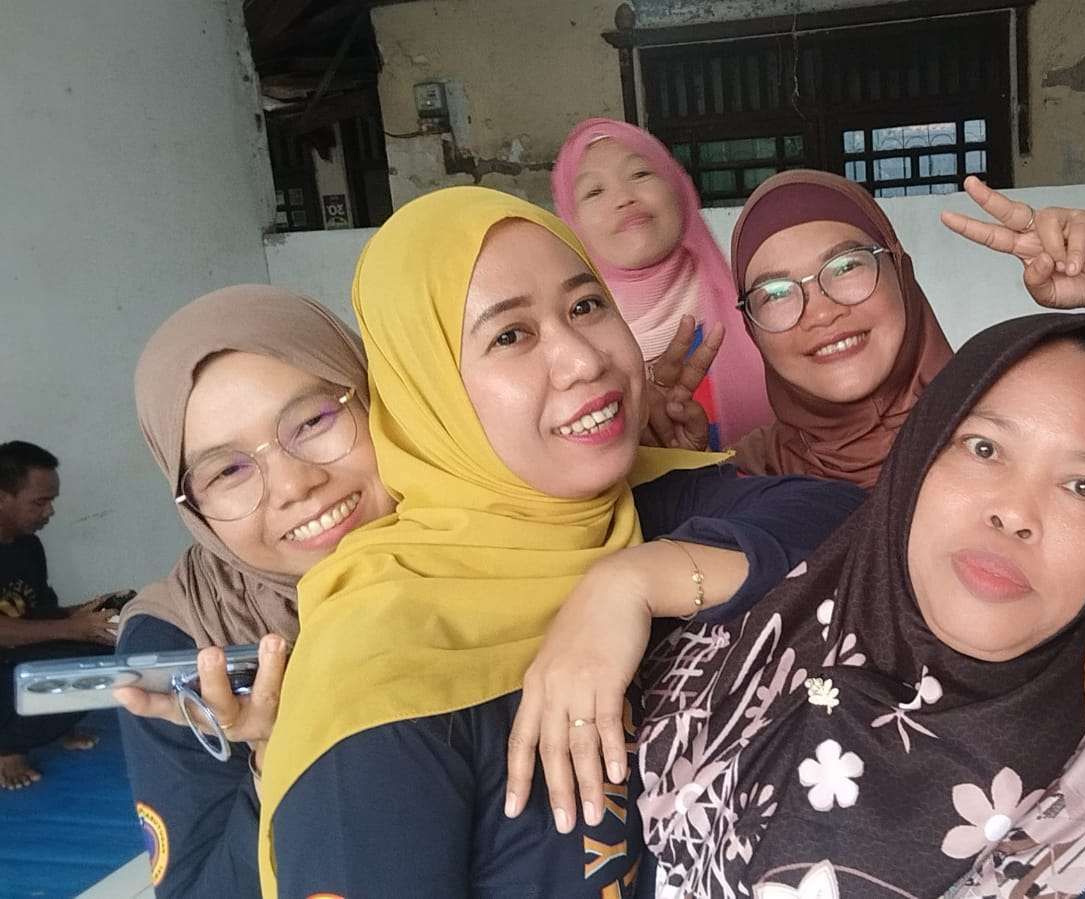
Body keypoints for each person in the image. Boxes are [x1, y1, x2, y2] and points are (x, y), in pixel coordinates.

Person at [256, 186, 861, 898]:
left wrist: (631, 581)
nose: (582, 358)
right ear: (427, 389)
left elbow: (859, 525)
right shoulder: (377, 672)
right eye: (510, 336)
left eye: (586, 305)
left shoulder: (640, 504)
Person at [636, 313, 1085, 898]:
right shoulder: (739, 623)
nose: (1015, 512)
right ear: (917, 458)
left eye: (1083, 486)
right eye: (984, 448)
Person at [112, 286, 396, 896]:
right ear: (194, 508)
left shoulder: (500, 537)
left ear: (376, 398)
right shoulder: (184, 642)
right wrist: (277, 755)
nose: (295, 486)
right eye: (227, 471)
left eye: (313, 421)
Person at [733, 171, 1085, 488]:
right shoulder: (744, 475)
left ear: (900, 272)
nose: (821, 313)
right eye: (775, 294)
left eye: (845, 267)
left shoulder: (1017, 421)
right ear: (752, 328)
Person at [554, 117, 771, 449]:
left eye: (640, 174)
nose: (624, 197)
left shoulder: (763, 310)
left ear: (678, 188)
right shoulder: (567, 353)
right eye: (594, 191)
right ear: (572, 221)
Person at [0, 440, 119, 789]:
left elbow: (35, 614)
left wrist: (86, 613)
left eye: (51, 501)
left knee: (102, 649)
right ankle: (7, 746)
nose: (49, 512)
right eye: (39, 502)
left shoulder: (28, 546)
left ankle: (44, 730)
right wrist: (73, 628)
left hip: (12, 656)